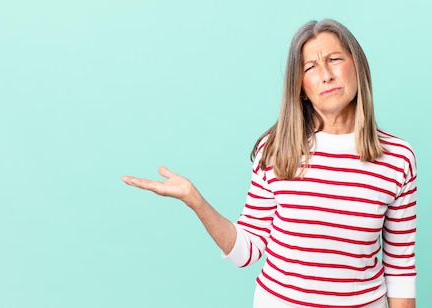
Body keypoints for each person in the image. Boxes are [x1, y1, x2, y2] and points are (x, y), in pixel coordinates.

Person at [122, 19, 417, 308]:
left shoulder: (397, 158)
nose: (325, 75)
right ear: (301, 86)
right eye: (310, 67)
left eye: (334, 59)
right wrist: (196, 201)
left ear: (357, 66)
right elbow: (245, 251)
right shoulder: (277, 150)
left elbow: (400, 266)